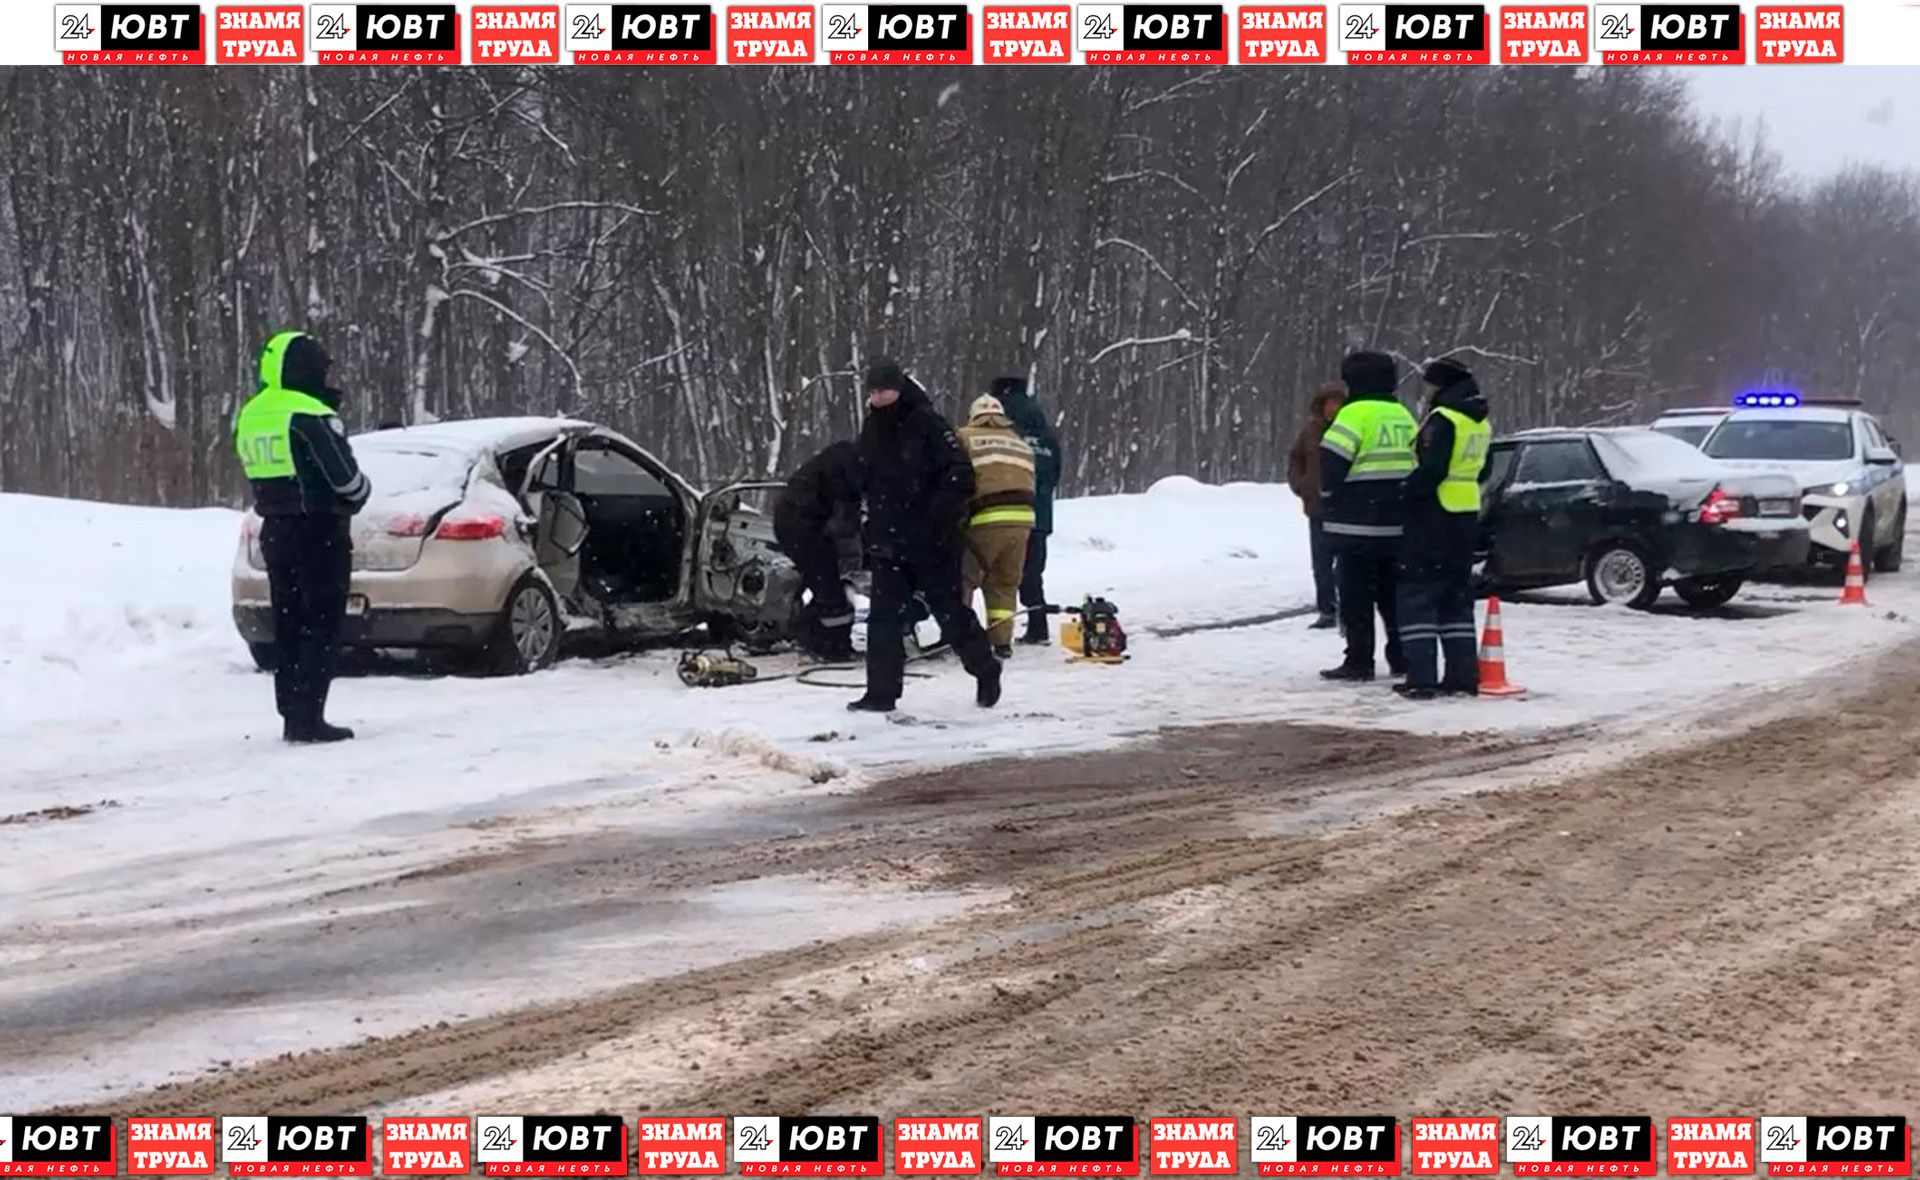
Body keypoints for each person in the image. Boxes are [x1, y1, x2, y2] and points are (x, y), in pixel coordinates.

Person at [233, 329, 371, 742]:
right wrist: (360, 491)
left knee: (288, 620)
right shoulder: (308, 412)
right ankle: (310, 717)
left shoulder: (252, 413)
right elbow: (345, 480)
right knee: (321, 623)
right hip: (319, 529)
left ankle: (292, 712)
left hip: (274, 529)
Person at [848, 358, 1002, 714]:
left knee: (950, 613)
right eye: (873, 392)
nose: (877, 398)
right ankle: (881, 693)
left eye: (884, 391)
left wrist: (935, 517)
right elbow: (865, 476)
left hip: (933, 542)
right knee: (884, 620)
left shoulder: (928, 423)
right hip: (888, 541)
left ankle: (985, 667)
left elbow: (960, 476)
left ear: (898, 389)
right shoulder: (871, 429)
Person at [1394, 358, 1492, 700]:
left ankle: (1421, 678)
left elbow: (1432, 469)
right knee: (1456, 597)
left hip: (1434, 515)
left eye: (1428, 385)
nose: (1425, 392)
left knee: (1418, 595)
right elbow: (1484, 469)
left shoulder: (1443, 419)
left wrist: (1405, 491)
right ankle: (1462, 676)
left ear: (1439, 386)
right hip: (1466, 513)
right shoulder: (1478, 421)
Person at [1318, 350, 1417, 682]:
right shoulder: (1403, 415)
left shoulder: (1353, 415)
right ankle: (1401, 656)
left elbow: (1331, 467)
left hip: (1356, 526)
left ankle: (1359, 660)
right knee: (1393, 597)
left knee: (1356, 598)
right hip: (1399, 525)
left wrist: (1330, 501)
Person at [957, 394, 1038, 657]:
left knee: (964, 579)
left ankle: (962, 638)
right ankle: (1002, 642)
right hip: (1022, 521)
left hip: (985, 517)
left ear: (973, 416)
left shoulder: (964, 437)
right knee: (1004, 583)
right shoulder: (1019, 442)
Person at [773, 440, 864, 662]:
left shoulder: (843, 457)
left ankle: (811, 634)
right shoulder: (849, 468)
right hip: (803, 527)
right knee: (830, 592)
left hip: (796, 523)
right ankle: (832, 647)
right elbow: (844, 519)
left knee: (822, 583)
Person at [989, 376, 1061, 645]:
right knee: (1033, 572)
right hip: (1039, 513)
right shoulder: (1046, 432)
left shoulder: (1005, 428)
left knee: (1000, 575)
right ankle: (1038, 624)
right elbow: (1054, 474)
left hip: (1005, 512)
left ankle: (994, 632)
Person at [1288, 382, 1346, 629]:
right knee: (1321, 564)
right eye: (1328, 404)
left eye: (1337, 403)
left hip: (1344, 509)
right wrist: (1300, 484)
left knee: (1345, 564)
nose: (1332, 408)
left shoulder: (1349, 429)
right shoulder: (1310, 432)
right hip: (1317, 507)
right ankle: (1327, 610)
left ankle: (1348, 607)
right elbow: (1295, 458)